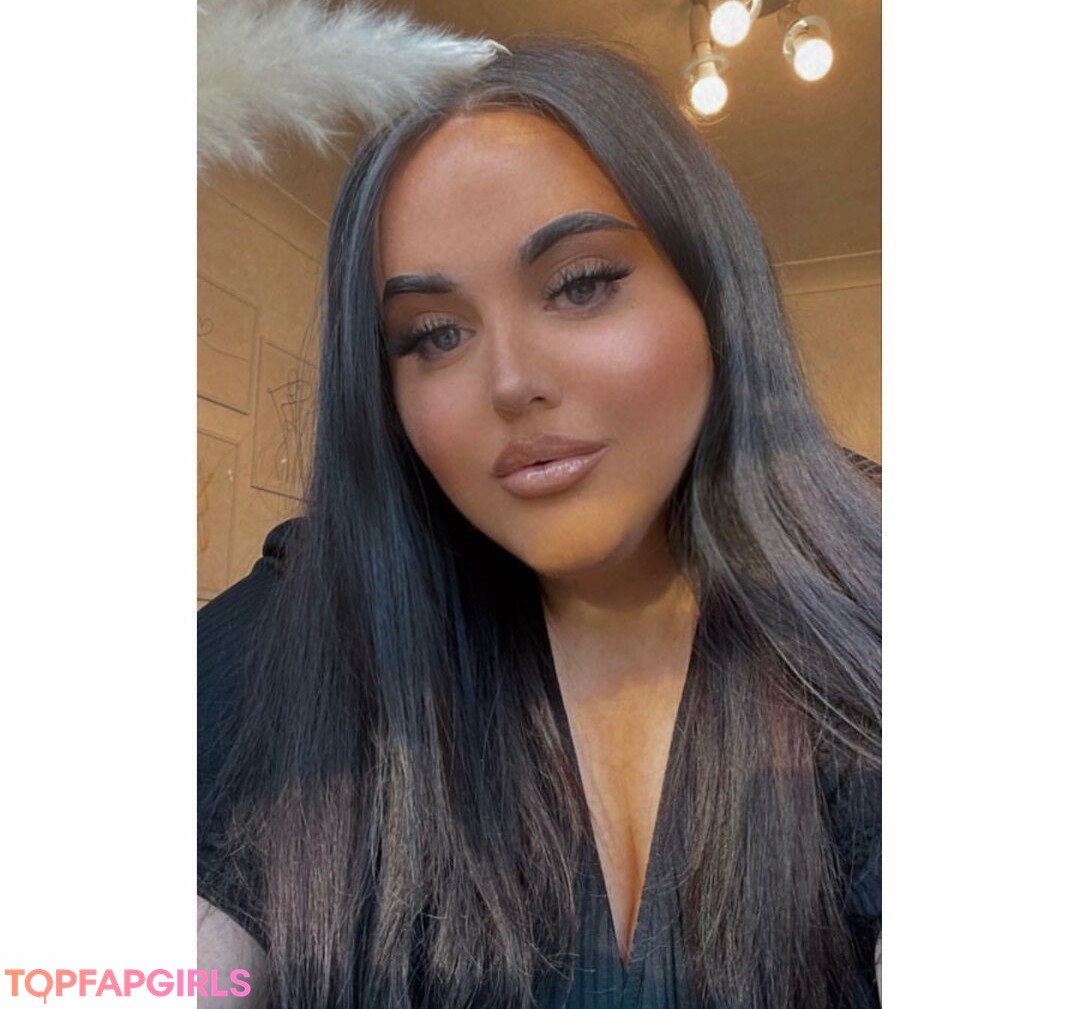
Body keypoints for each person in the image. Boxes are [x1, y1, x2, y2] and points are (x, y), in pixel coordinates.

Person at [198, 40, 881, 1009]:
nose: (512, 381)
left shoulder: (876, 583)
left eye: (581, 283)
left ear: (711, 295)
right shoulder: (309, 615)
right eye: (435, 334)